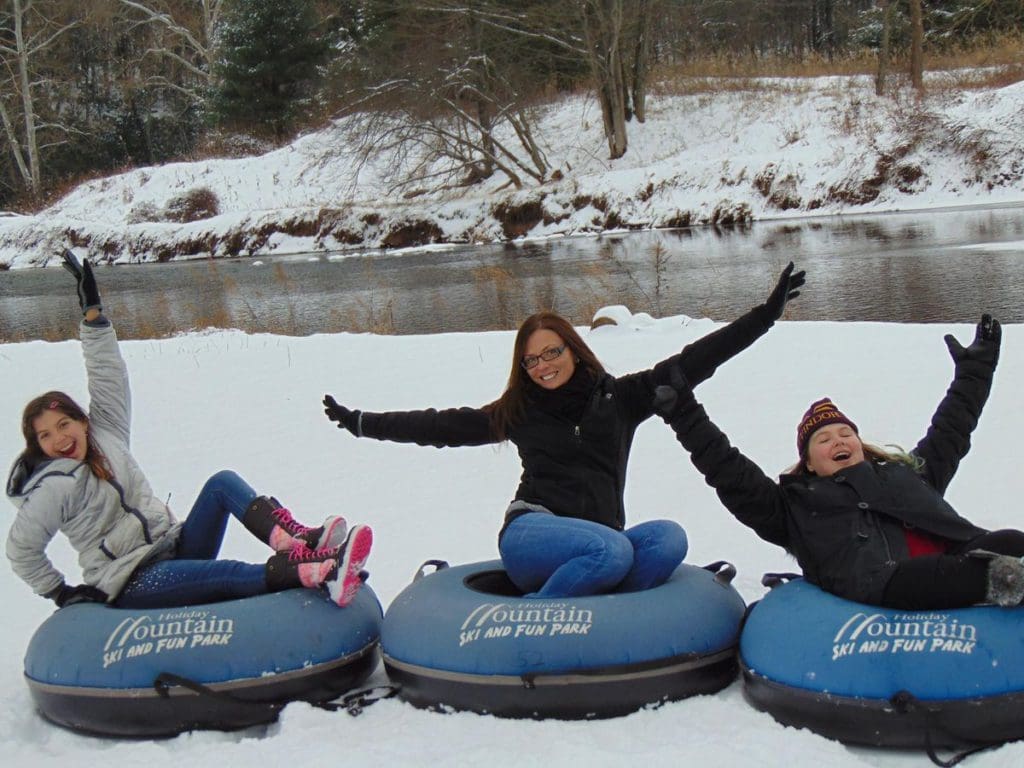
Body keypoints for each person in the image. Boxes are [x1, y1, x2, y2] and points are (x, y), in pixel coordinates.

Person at [322, 263, 805, 598]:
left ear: (573, 349)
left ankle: (596, 615)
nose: (543, 365)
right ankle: (534, 618)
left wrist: (765, 317)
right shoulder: (518, 412)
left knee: (668, 539)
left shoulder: (622, 398)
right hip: (532, 535)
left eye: (552, 352)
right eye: (531, 359)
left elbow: (696, 360)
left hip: (599, 541)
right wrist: (363, 423)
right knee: (611, 549)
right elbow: (438, 425)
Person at [6, 253, 372, 610]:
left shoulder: (107, 435)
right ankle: (319, 573)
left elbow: (108, 374)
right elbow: (21, 550)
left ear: (82, 422)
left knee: (221, 483)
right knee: (227, 573)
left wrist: (92, 314)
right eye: (45, 436)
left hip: (173, 545)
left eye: (63, 425)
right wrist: (59, 592)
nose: (59, 439)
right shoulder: (53, 488)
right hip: (132, 578)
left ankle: (296, 543)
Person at [654, 313, 1024, 610]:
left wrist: (975, 371)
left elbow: (952, 429)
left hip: (958, 553)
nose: (839, 441)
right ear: (809, 462)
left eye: (846, 434)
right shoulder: (793, 506)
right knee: (952, 573)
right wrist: (683, 412)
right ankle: (1005, 581)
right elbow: (728, 470)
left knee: (1009, 540)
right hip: (886, 581)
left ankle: (1005, 576)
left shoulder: (906, 474)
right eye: (824, 439)